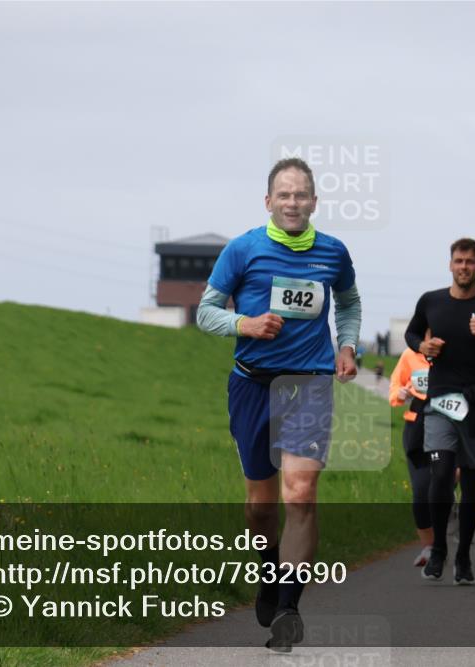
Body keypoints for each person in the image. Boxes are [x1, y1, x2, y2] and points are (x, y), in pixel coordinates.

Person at [196, 157, 361, 652]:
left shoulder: (333, 253)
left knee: (301, 491)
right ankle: (268, 573)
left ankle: (289, 606)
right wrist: (242, 324)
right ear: (268, 202)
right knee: (259, 507)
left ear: (314, 202)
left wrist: (347, 345)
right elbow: (205, 311)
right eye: (284, 195)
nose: (293, 202)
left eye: (301, 194)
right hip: (252, 385)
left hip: (308, 383)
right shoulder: (243, 249)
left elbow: (349, 301)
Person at [405, 237, 475, 585]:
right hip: (440, 398)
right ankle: (439, 548)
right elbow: (412, 333)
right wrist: (422, 345)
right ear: (450, 264)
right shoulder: (431, 301)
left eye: (470, 262)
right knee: (440, 477)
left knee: (471, 485)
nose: (464, 267)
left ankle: (464, 554)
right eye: (458, 261)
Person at [389, 343, 434, 567]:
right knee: (421, 489)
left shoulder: (453, 349)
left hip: (447, 423)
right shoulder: (409, 354)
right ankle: (429, 547)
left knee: (443, 482)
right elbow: (395, 388)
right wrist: (401, 392)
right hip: (416, 427)